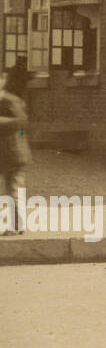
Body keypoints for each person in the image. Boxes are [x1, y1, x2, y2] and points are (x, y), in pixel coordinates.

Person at [0, 66, 33, 235]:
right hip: (12, 151)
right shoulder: (11, 99)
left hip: (11, 152)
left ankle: (15, 225)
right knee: (14, 187)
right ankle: (16, 224)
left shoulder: (8, 99)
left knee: (13, 188)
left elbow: (20, 122)